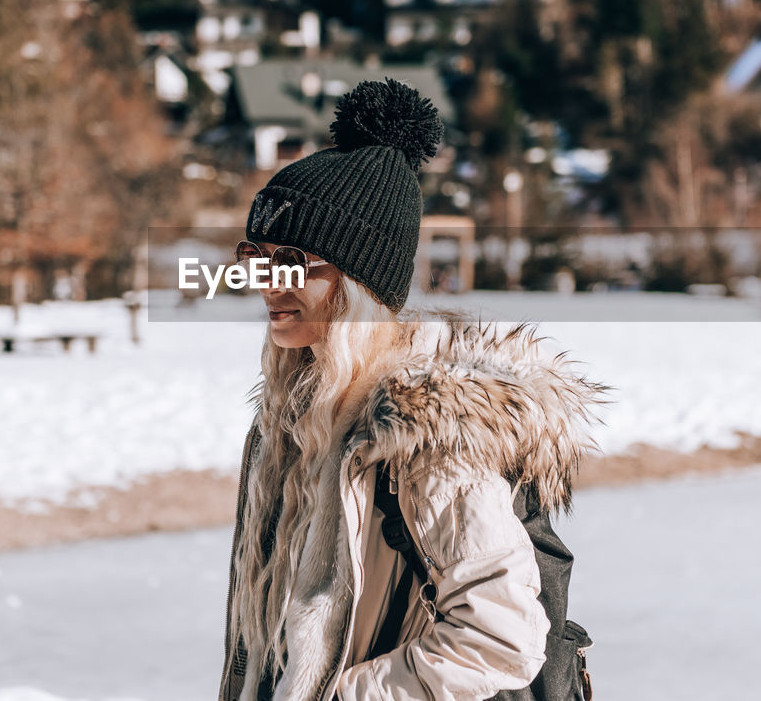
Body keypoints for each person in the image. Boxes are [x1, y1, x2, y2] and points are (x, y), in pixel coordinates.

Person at [217, 79, 604, 701]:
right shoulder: (294, 420)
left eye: (292, 259)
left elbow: (501, 637)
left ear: (360, 284)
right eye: (256, 255)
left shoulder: (425, 433)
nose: (267, 280)